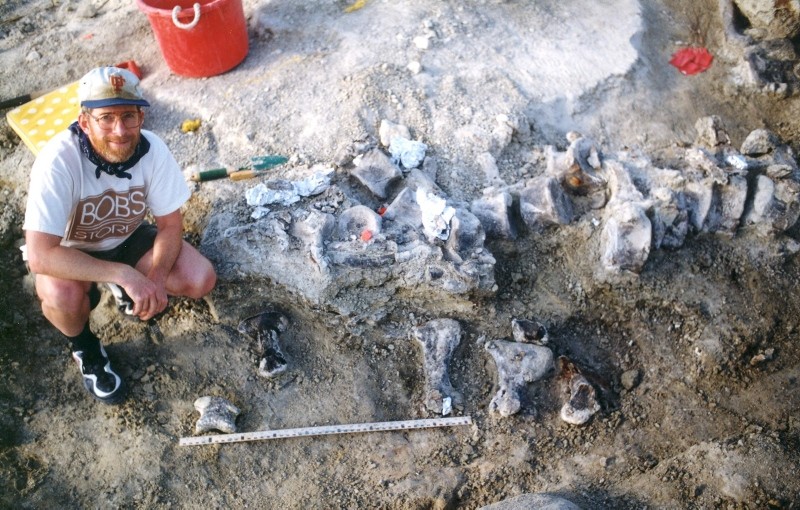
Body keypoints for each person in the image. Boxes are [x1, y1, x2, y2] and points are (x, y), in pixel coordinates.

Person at [22, 66, 216, 405]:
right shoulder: (57, 162)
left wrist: (154, 278)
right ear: (84, 122)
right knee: (61, 297)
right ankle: (85, 348)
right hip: (70, 250)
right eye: (106, 118)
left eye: (129, 116)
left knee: (200, 279)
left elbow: (170, 225)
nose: (120, 131)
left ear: (141, 115)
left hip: (127, 237)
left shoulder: (152, 149)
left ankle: (123, 286)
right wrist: (123, 274)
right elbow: (41, 255)